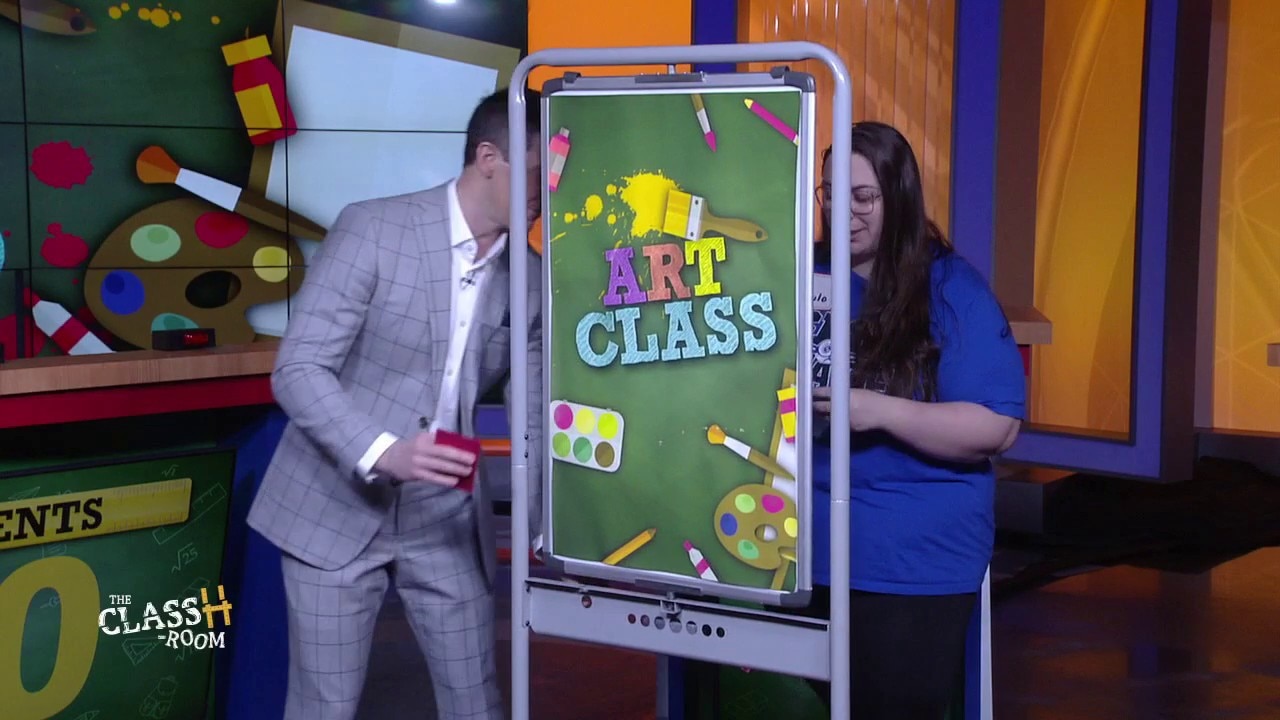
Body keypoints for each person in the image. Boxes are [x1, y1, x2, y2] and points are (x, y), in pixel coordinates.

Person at [247, 87, 544, 720]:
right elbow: (297, 369)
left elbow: (535, 419)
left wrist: (547, 525)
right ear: (488, 159)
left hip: (444, 514)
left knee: (478, 703)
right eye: (539, 170)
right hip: (333, 502)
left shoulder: (531, 276)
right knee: (325, 708)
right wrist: (385, 452)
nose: (550, 189)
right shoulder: (375, 229)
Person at [805, 121, 1025, 719]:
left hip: (910, 558)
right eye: (831, 193)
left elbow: (996, 427)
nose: (845, 212)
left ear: (899, 197)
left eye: (863, 197)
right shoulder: (805, 278)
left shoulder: (951, 289)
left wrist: (878, 410)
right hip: (804, 548)